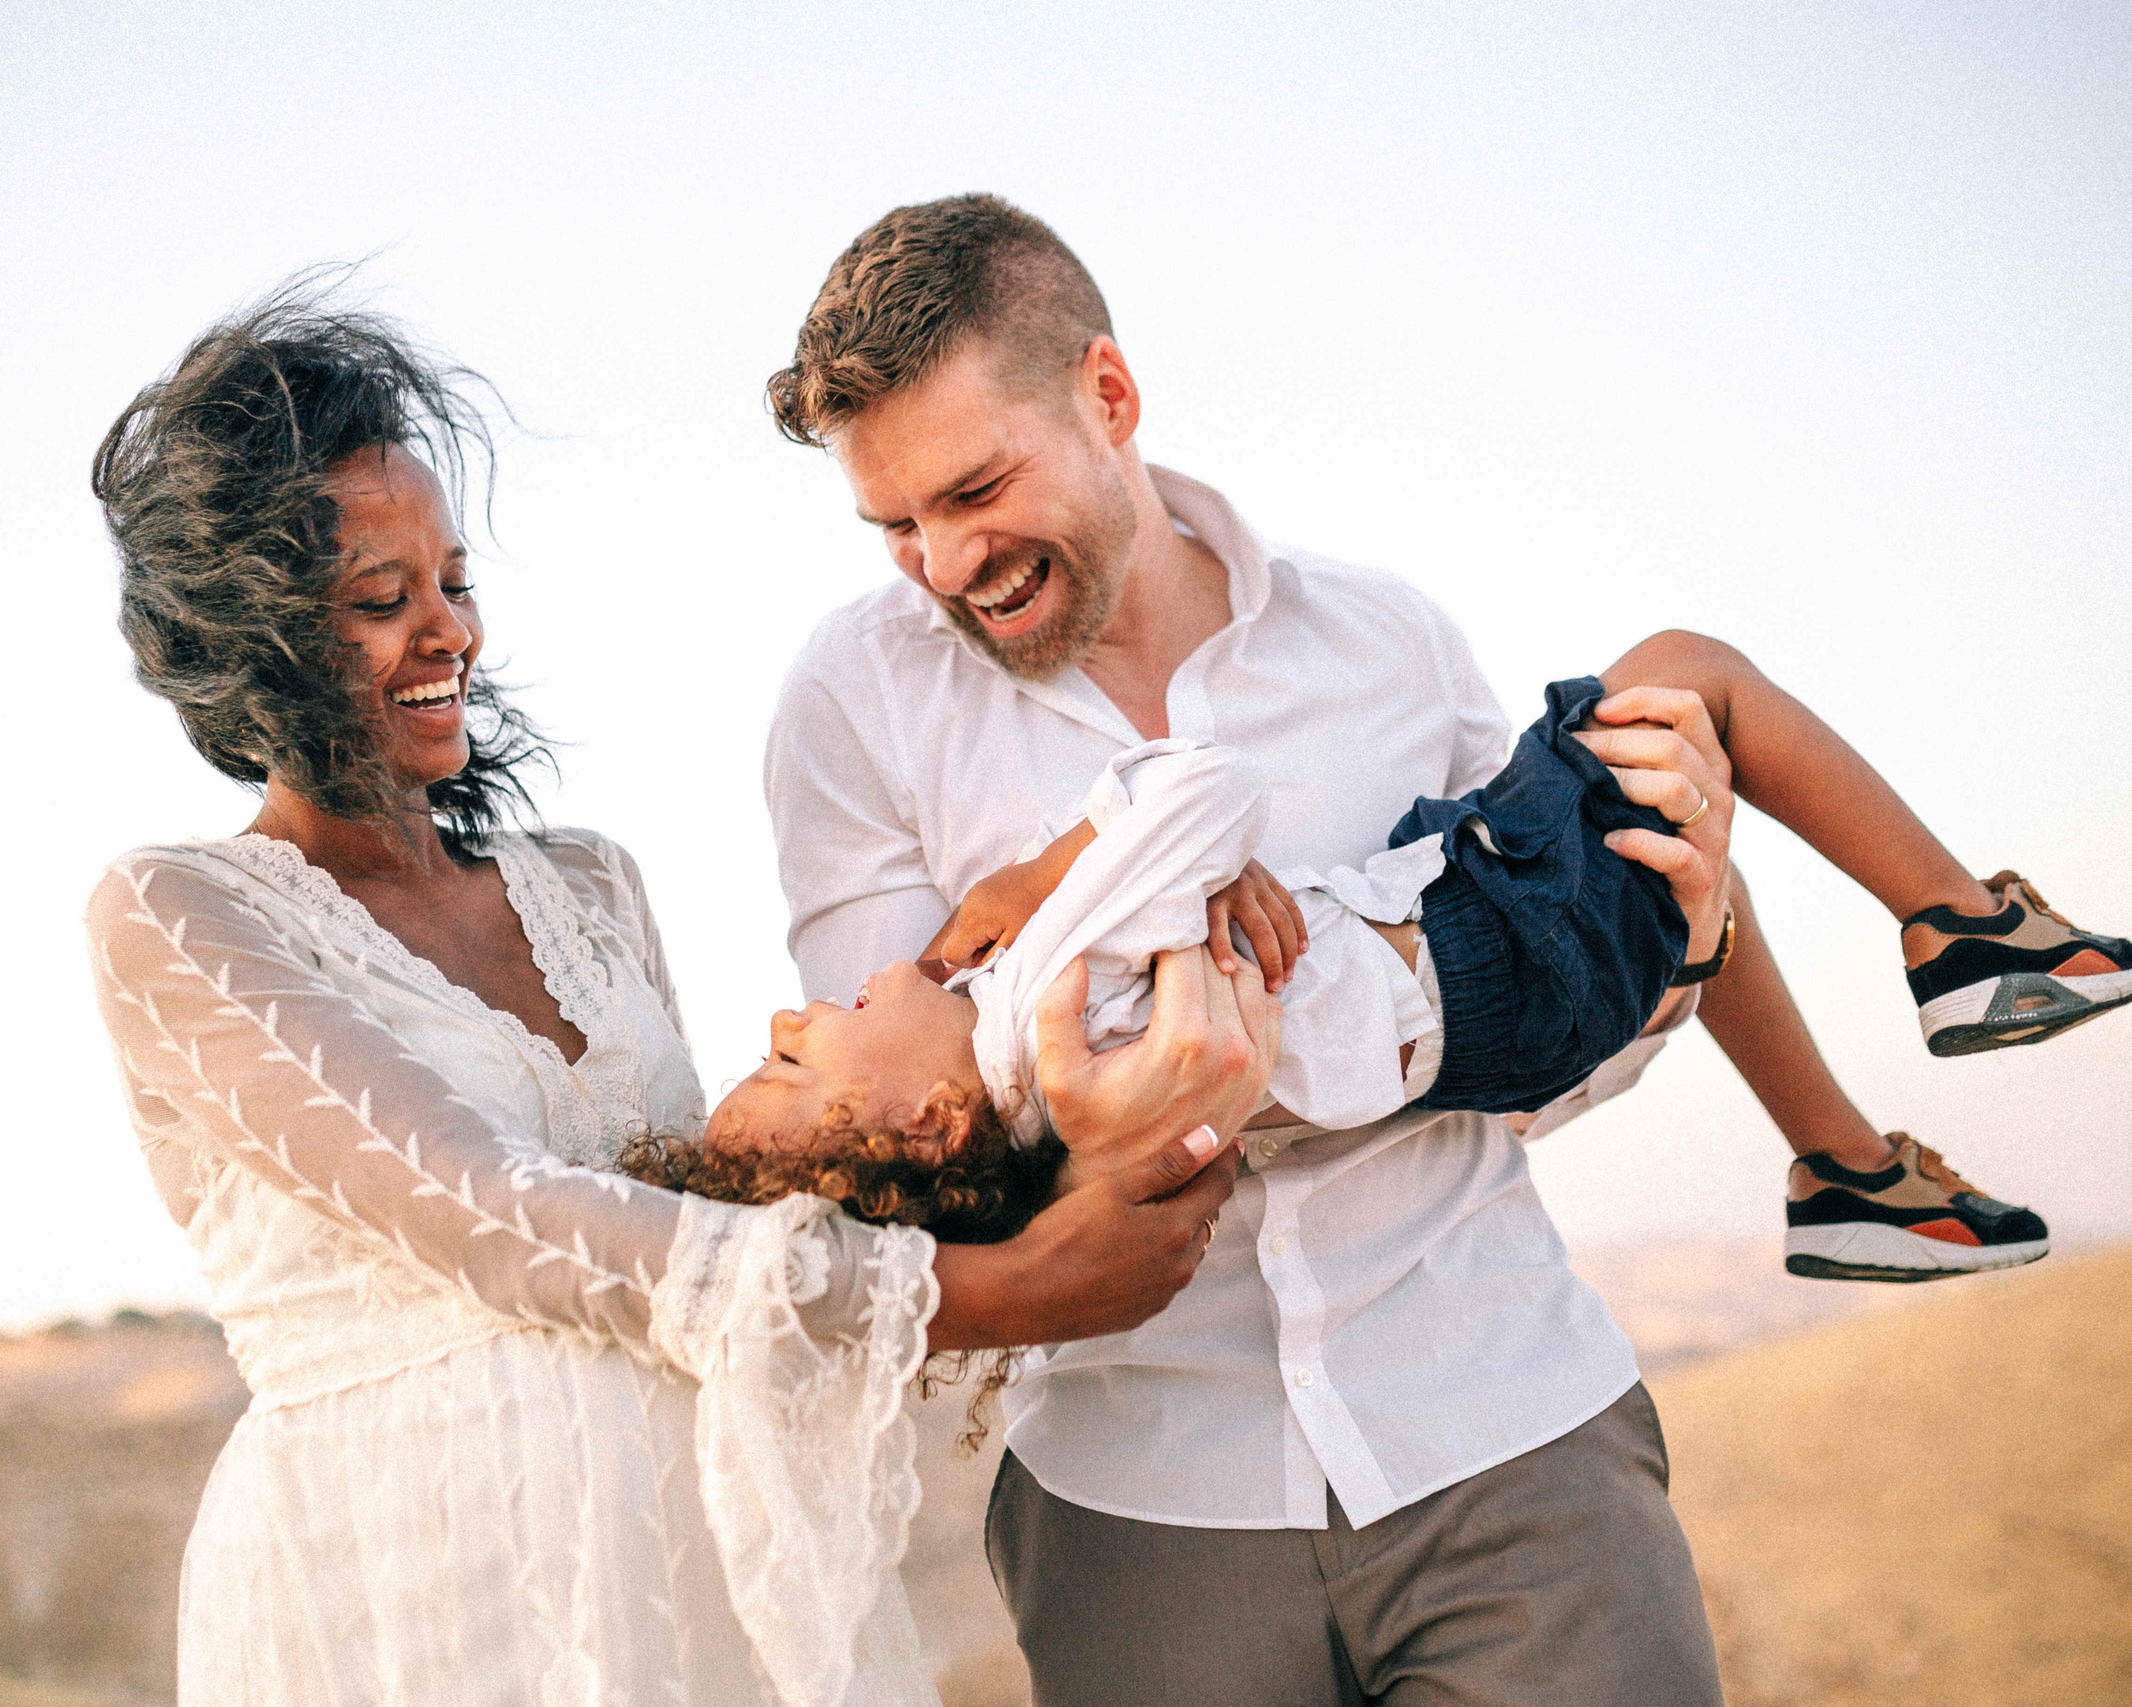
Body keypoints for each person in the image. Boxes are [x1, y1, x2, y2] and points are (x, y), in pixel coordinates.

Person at [748, 191, 2011, 1706]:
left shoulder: (1386, 642)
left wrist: (1668, 951)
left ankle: (1908, 1052)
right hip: (1137, 1509)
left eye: (974, 491)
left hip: (1508, 1438)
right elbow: (915, 1140)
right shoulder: (850, 702)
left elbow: (1541, 1072)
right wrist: (1166, 1100)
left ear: (1109, 395)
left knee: (1663, 773)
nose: (944, 566)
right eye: (895, 528)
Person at [80, 283, 1276, 1707]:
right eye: (379, 602)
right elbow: (486, 1215)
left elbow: (758, 1200)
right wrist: (988, 1294)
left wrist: (1086, 898)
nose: (448, 632)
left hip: (678, 1580)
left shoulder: (590, 887)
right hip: (402, 1594)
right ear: (253, 643)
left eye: (453, 584)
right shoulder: (180, 917)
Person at [671, 623, 2119, 1283]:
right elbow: (1204, 787)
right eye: (794, 1064)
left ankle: (1850, 1173)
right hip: (1488, 947)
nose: (792, 1019)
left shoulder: (1051, 1112)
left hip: (1471, 965)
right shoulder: (1043, 991)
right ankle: (1964, 931)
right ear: (928, 1121)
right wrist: (1049, 867)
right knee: (1689, 679)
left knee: (1669, 853)